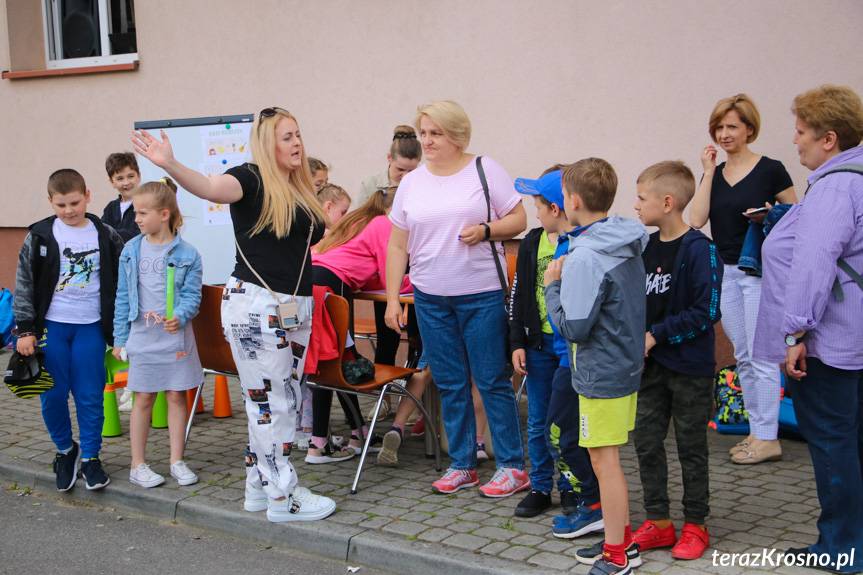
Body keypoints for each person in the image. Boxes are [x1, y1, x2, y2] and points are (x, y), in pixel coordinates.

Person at [132, 106, 336, 523]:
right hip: (258, 306)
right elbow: (209, 186)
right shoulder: (249, 177)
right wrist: (169, 163)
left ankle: (258, 488)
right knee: (274, 405)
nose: (296, 143)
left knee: (276, 402)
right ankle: (284, 497)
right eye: (286, 137)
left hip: (292, 307)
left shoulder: (297, 187)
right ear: (266, 143)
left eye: (298, 134)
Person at [384, 100, 529, 497]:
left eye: (436, 134)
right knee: (449, 382)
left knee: (490, 380)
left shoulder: (484, 168)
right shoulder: (412, 182)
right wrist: (394, 299)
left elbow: (520, 219)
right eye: (423, 133)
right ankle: (463, 463)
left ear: (458, 136)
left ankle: (513, 467)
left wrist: (485, 230)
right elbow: (398, 246)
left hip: (481, 296)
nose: (427, 142)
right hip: (430, 298)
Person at [754, 84, 863, 573]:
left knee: (834, 443)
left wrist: (795, 334)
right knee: (851, 440)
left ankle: (842, 547)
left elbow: (814, 263)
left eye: (801, 132)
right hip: (854, 335)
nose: (794, 142)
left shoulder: (836, 185)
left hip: (832, 340)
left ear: (829, 139)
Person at [545, 158, 648, 575]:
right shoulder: (623, 239)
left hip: (599, 372)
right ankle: (621, 543)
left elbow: (574, 326)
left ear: (572, 200)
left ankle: (617, 556)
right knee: (608, 459)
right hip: (622, 365)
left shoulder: (587, 254)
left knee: (605, 463)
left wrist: (553, 284)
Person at [689, 94, 797, 465]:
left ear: (749, 129)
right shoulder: (715, 175)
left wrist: (769, 215)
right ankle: (757, 431)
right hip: (728, 270)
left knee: (763, 355)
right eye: (719, 127)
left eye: (732, 126)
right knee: (744, 355)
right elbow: (696, 219)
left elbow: (796, 217)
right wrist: (706, 172)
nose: (724, 133)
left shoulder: (771, 169)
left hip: (759, 272)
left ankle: (768, 438)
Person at [631, 161, 722, 561]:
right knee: (647, 442)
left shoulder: (700, 249)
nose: (635, 206)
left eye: (641, 198)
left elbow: (707, 311)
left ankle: (696, 524)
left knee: (691, 447)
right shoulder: (645, 247)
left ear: (667, 202)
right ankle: (659, 521)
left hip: (689, 368)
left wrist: (657, 335)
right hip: (651, 368)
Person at [13, 169, 123, 492]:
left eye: (74, 202)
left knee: (90, 395)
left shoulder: (105, 234)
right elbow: (24, 284)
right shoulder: (40, 236)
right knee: (52, 395)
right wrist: (25, 330)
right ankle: (65, 450)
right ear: (50, 201)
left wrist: (119, 331)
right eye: (60, 205)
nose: (68, 210)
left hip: (90, 327)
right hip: (52, 328)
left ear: (87, 195)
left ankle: (91, 457)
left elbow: (121, 280)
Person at [306, 187, 412, 463]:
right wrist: (419, 281)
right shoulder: (384, 224)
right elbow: (390, 275)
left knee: (340, 359)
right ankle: (318, 445)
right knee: (331, 361)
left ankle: (358, 432)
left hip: (312, 278)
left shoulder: (357, 220)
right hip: (331, 284)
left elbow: (373, 272)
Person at [112, 178, 204, 488]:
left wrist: (180, 315)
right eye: (136, 213)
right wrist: (119, 338)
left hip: (174, 337)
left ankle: (177, 460)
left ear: (164, 214)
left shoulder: (189, 254)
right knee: (143, 398)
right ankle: (138, 464)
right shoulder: (131, 250)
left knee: (177, 396)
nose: (136, 219)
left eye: (142, 213)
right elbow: (123, 297)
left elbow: (193, 296)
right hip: (143, 335)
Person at [509, 166, 580, 518]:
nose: (534, 212)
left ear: (555, 208)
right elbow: (519, 294)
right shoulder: (533, 242)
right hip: (536, 346)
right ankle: (539, 485)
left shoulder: (580, 244)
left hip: (568, 347)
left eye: (538, 205)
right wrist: (516, 340)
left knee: (565, 420)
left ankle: (570, 486)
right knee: (537, 420)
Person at [358, 125, 422, 204]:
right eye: (400, 169)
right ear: (389, 158)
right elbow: (357, 216)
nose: (405, 176)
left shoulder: (424, 185)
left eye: (411, 171)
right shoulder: (370, 185)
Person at [101, 152, 142, 242]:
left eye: (130, 176)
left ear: (139, 176)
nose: (126, 182)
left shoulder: (146, 204)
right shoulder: (111, 208)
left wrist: (111, 233)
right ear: (112, 182)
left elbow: (139, 234)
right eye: (120, 178)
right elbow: (102, 233)